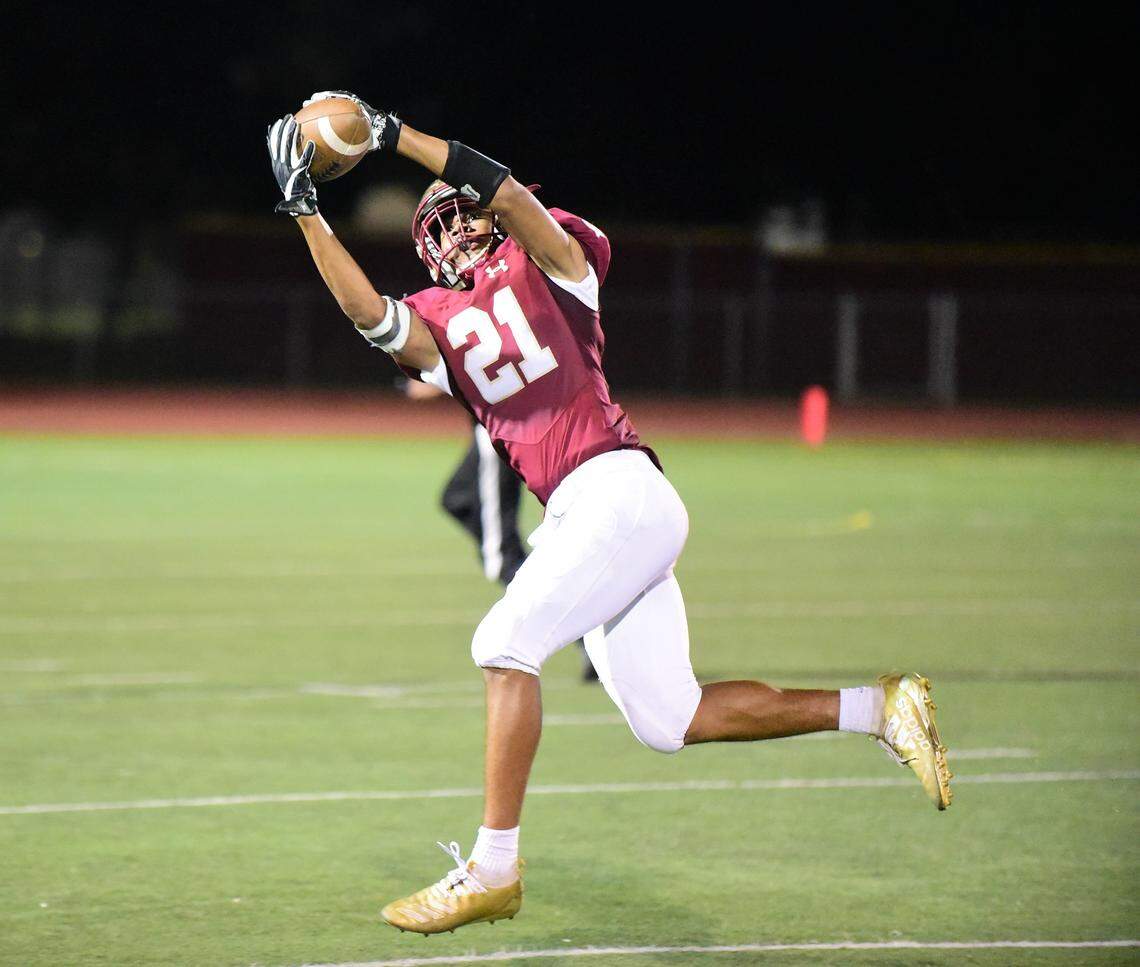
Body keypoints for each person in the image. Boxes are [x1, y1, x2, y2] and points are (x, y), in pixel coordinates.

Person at [266, 93, 953, 936]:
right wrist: (304, 211)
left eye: (460, 215)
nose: (451, 232)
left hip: (617, 488)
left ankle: (494, 865)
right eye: (434, 229)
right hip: (586, 514)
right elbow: (368, 313)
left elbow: (513, 197)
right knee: (670, 719)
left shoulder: (554, 266)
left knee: (501, 643)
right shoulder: (442, 326)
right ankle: (881, 707)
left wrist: (393, 136)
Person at [405, 379, 599, 681]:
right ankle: (532, 570)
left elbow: (483, 362)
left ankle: (588, 637)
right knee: (456, 499)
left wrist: (437, 380)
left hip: (498, 431)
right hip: (502, 427)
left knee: (499, 560)